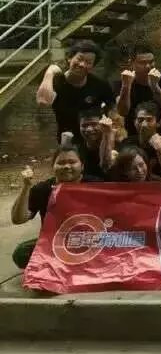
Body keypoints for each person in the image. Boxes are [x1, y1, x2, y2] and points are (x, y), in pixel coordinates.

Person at [11, 140, 91, 269]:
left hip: (89, 241)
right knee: (21, 254)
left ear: (82, 166)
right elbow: (18, 219)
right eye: (61, 163)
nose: (66, 166)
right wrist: (26, 187)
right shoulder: (42, 189)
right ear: (53, 166)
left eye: (72, 162)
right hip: (54, 242)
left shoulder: (96, 186)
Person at [36, 40, 114, 142]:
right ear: (69, 58)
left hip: (93, 139)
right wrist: (49, 72)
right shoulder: (57, 82)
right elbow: (43, 102)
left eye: (88, 62)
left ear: (92, 67)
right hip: (67, 140)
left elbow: (113, 112)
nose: (82, 64)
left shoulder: (100, 85)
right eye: (79, 59)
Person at [117, 44, 161, 136]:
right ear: (132, 63)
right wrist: (126, 86)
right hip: (134, 135)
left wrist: (154, 85)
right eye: (142, 63)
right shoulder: (123, 83)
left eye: (151, 62)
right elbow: (123, 111)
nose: (148, 66)